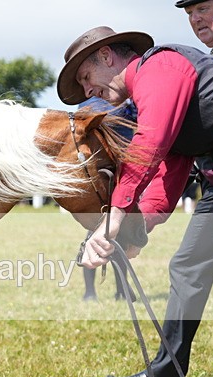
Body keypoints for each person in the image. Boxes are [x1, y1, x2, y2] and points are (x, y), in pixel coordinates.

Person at [57, 24, 213, 377]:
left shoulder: (159, 67)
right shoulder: (157, 95)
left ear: (108, 55)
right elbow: (167, 177)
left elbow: (148, 147)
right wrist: (132, 237)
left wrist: (109, 225)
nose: (88, 89)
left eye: (87, 77)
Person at [78, 97, 137, 302]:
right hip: (109, 178)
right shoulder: (110, 102)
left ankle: (112, 290)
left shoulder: (92, 103)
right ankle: (93, 292)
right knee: (98, 237)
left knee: (109, 237)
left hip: (119, 176)